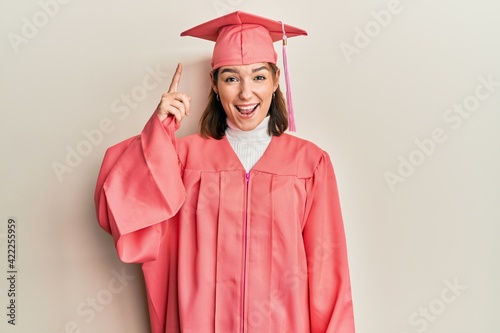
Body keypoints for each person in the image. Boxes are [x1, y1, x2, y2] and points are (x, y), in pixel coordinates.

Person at [95, 11, 355, 333]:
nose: (246, 93)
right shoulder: (182, 159)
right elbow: (120, 209)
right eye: (231, 78)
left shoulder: (310, 164)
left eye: (259, 77)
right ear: (215, 85)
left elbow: (329, 273)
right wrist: (157, 133)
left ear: (276, 80)